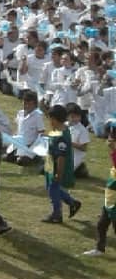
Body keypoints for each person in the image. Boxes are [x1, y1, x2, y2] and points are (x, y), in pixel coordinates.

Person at [41, 104, 83, 223]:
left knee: (53, 190)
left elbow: (61, 157)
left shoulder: (62, 136)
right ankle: (73, 203)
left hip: (57, 168)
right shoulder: (60, 130)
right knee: (52, 188)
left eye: (50, 119)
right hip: (50, 166)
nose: (49, 121)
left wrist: (58, 174)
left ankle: (57, 214)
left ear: (54, 119)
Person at [83, 125, 116, 256]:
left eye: (111, 138)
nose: (108, 140)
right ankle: (99, 249)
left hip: (114, 200)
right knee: (101, 224)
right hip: (110, 198)